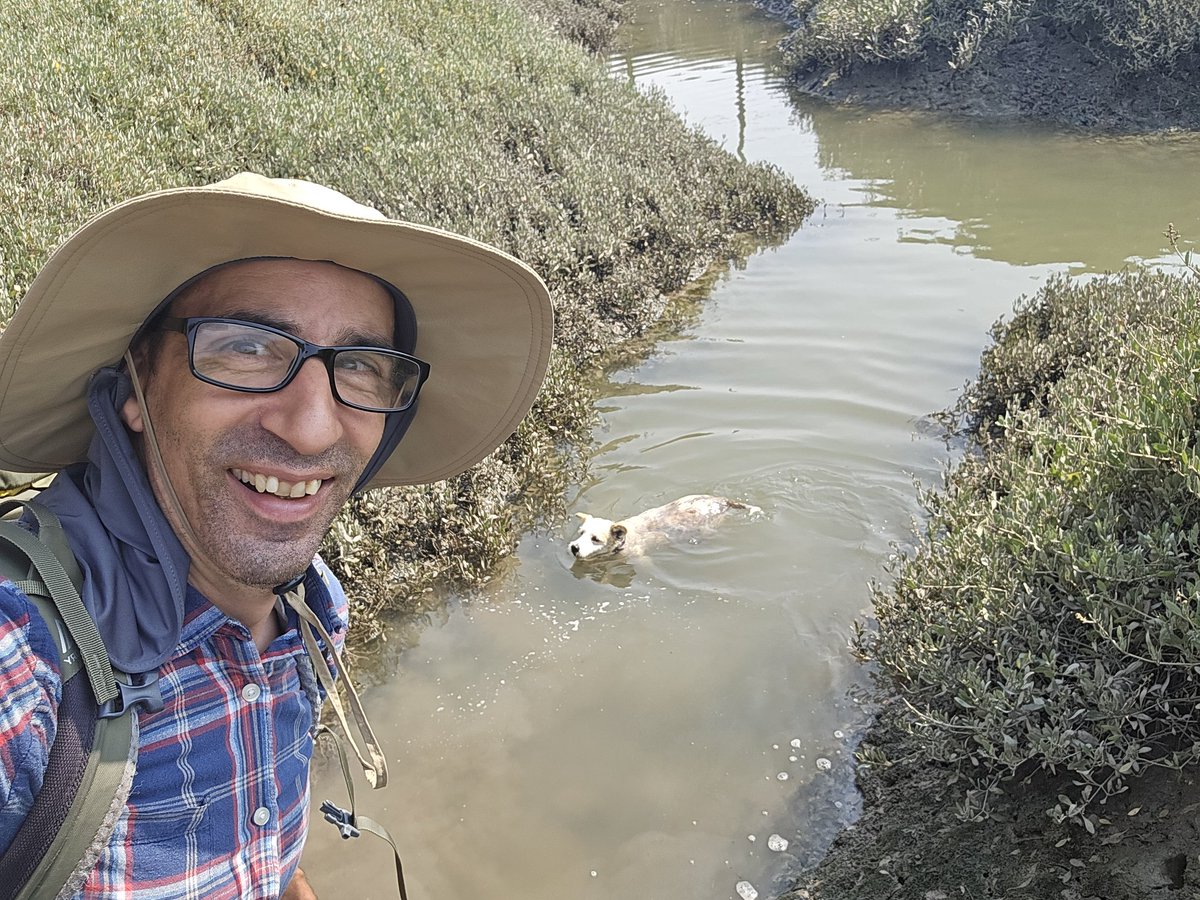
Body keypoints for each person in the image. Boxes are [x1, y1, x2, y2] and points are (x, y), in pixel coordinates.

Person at [0, 172, 554, 898]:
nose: (312, 424)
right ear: (135, 387)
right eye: (246, 347)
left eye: (358, 366)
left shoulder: (311, 609)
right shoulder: (23, 664)